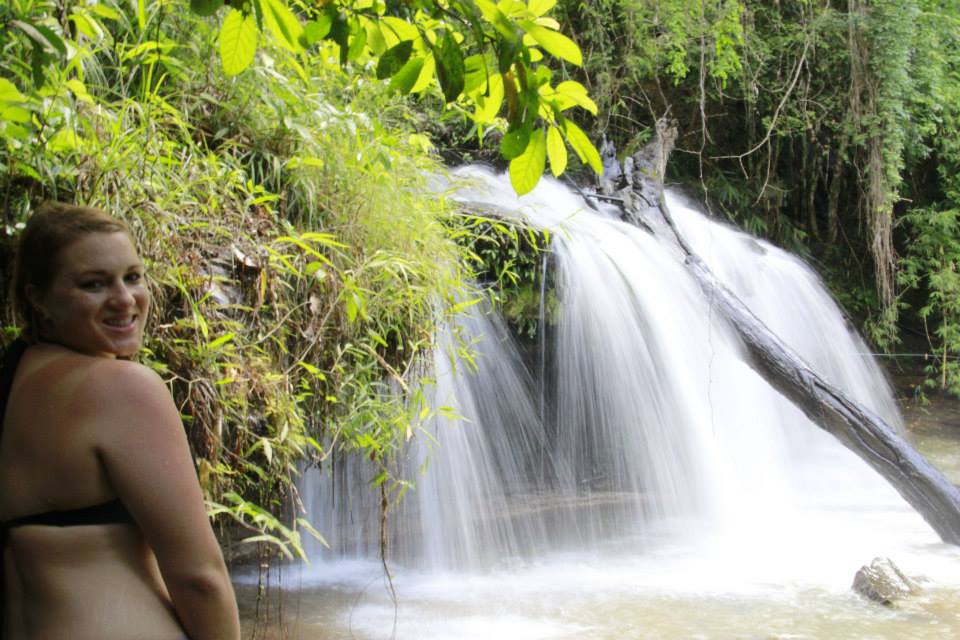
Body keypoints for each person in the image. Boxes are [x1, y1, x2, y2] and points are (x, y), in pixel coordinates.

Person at [0, 202, 241, 639]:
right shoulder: (122, 389)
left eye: (132, 277)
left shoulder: (14, 381)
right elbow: (199, 578)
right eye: (93, 284)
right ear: (38, 298)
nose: (125, 300)